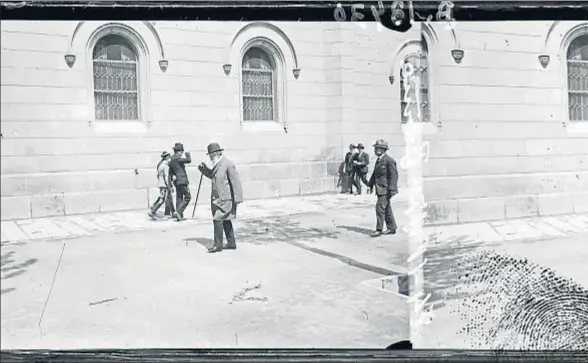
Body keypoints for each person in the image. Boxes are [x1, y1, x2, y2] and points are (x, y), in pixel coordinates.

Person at [198, 142, 243, 253]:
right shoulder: (217, 164)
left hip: (225, 199)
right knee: (226, 220)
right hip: (217, 199)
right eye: (209, 155)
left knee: (217, 219)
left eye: (212, 155)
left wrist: (237, 199)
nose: (210, 157)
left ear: (218, 153)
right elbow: (213, 176)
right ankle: (231, 243)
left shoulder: (228, 164)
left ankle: (218, 245)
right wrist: (204, 170)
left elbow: (235, 182)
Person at [367, 139, 398, 238]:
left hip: (386, 189)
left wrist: (392, 189)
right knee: (386, 208)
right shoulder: (379, 160)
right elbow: (375, 174)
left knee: (379, 208)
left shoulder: (389, 160)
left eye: (378, 149)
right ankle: (392, 228)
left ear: (383, 150)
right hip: (380, 189)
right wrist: (370, 185)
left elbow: (394, 175)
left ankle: (379, 230)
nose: (375, 150)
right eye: (375, 148)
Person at [148, 151, 175, 219]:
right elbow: (166, 177)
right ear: (167, 158)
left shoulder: (160, 165)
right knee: (162, 199)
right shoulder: (165, 166)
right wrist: (170, 186)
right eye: (169, 158)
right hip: (164, 185)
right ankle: (152, 211)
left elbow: (158, 175)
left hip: (161, 183)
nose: (170, 159)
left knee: (169, 198)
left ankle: (173, 212)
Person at [169, 142, 192, 221]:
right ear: (179, 151)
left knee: (179, 198)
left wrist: (173, 176)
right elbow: (188, 160)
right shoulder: (177, 158)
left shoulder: (171, 159)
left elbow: (170, 171)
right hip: (182, 180)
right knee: (188, 197)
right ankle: (178, 212)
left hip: (177, 182)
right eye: (182, 152)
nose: (182, 153)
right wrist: (187, 153)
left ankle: (179, 216)